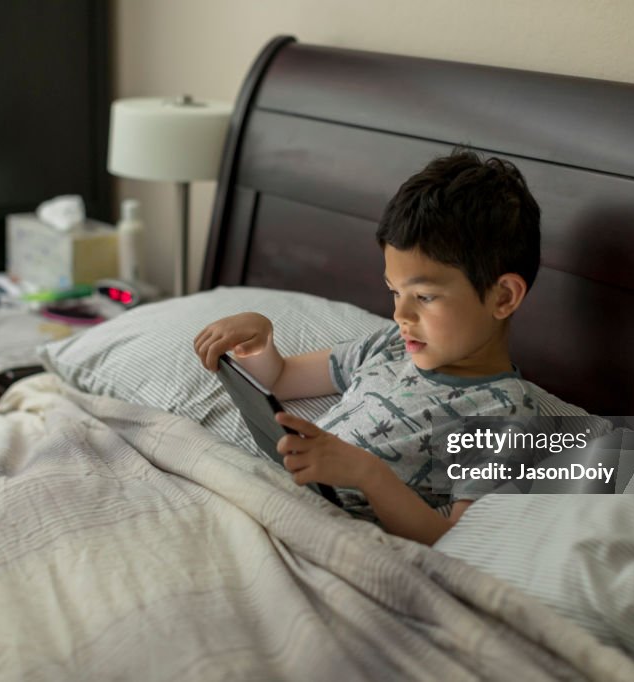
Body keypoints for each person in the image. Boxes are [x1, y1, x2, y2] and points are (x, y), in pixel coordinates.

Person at [194, 149, 593, 545]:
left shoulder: (505, 412)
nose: (401, 314)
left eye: (425, 296)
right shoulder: (389, 345)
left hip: (325, 531)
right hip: (268, 495)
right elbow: (280, 379)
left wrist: (368, 475)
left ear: (503, 297)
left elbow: (455, 539)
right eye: (394, 291)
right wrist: (261, 341)